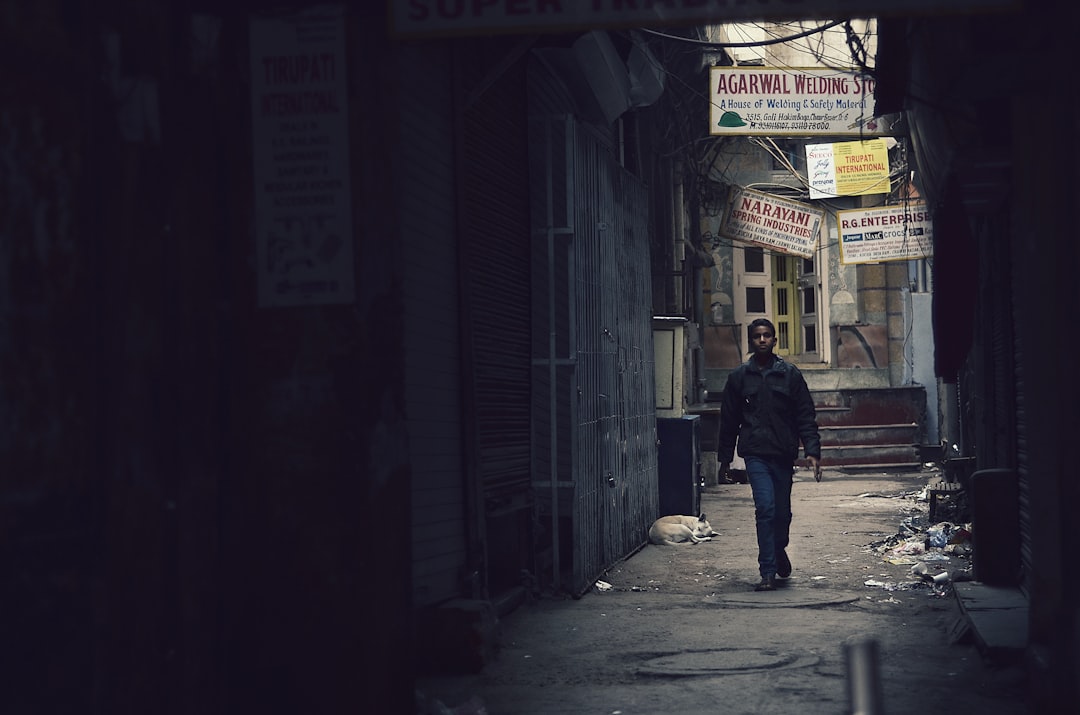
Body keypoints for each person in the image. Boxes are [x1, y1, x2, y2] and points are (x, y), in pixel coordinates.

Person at [717, 318, 822, 592]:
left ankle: (778, 549)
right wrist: (724, 459)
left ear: (775, 340)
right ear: (750, 341)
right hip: (755, 454)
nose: (762, 340)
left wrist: (812, 451)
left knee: (782, 513)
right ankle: (767, 571)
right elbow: (728, 420)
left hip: (782, 454)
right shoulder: (739, 377)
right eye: (756, 336)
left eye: (767, 336)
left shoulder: (789, 374)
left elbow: (805, 415)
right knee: (765, 508)